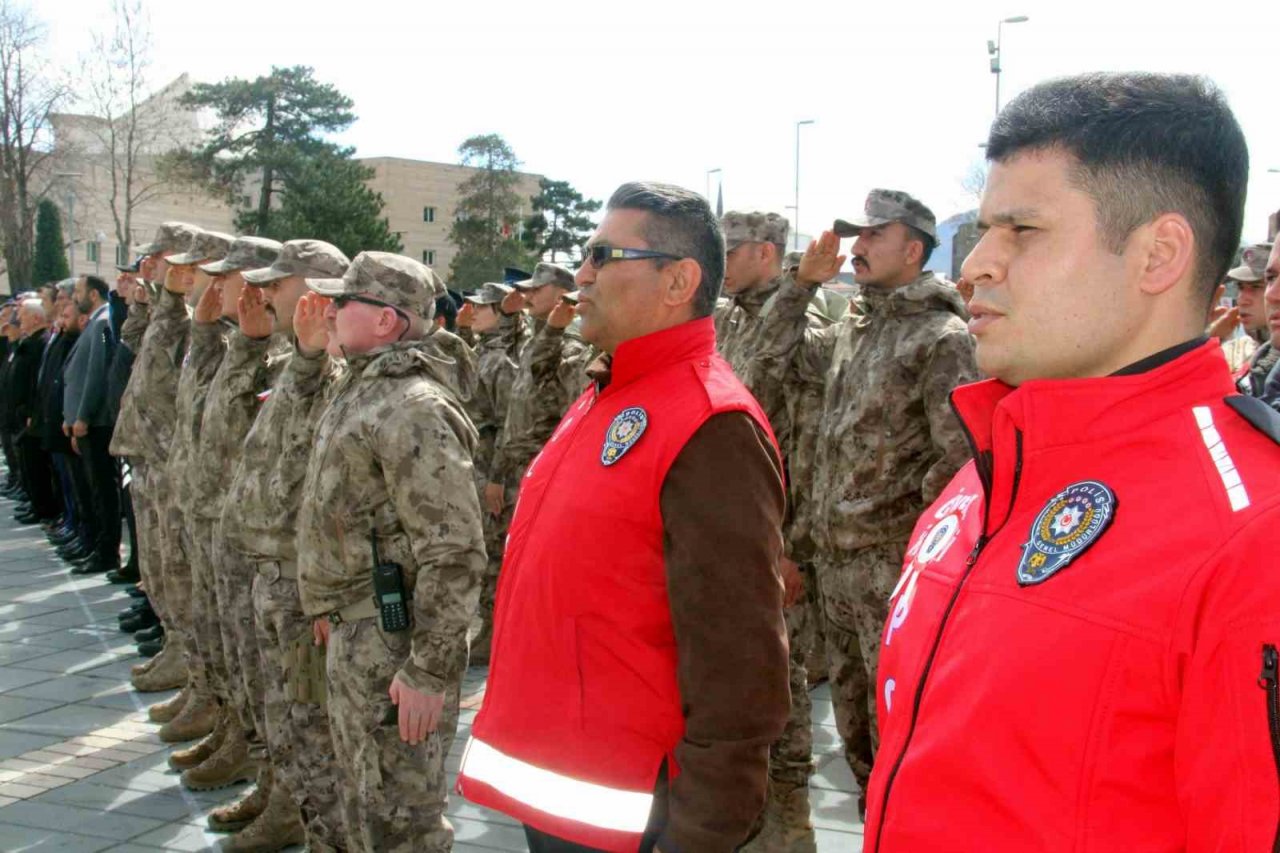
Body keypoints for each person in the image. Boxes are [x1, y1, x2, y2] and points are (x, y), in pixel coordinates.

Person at [866, 72, 1280, 851]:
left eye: (1022, 231)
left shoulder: (1254, 537)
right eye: (985, 229)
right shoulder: (988, 470)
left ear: (1159, 254)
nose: (977, 264)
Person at [459, 182, 790, 852]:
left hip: (633, 814)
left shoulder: (710, 423)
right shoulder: (608, 390)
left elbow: (738, 668)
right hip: (562, 790)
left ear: (677, 280)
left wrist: (698, 835)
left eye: (602, 254)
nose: (581, 273)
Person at [755, 189, 978, 812]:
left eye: (873, 237)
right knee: (856, 736)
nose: (856, 247)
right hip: (834, 566)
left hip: (892, 569)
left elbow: (960, 460)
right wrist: (799, 287)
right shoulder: (854, 328)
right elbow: (771, 362)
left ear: (912, 250)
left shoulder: (942, 336)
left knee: (901, 733)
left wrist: (913, 549)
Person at [296, 251, 484, 852]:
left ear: (386, 321)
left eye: (344, 301)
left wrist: (430, 669)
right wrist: (331, 603)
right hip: (359, 633)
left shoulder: (413, 408)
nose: (331, 310)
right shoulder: (365, 386)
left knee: (400, 823)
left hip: (393, 652)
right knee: (364, 808)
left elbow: (453, 551)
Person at [220, 239, 351, 851]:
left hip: (306, 575)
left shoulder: (340, 368)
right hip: (266, 560)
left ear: (319, 290)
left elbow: (311, 470)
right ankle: (283, 799)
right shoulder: (289, 357)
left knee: (308, 720)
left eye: (280, 282)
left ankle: (309, 820)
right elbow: (236, 442)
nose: (265, 292)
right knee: (276, 707)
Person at [111, 221, 204, 694]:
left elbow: (167, 353)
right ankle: (175, 645)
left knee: (175, 566)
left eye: (159, 260)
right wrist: (143, 299)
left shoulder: (193, 321)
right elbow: (136, 343)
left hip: (171, 458)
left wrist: (164, 298)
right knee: (158, 564)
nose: (150, 267)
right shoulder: (168, 312)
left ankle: (189, 660)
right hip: (150, 452)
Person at [457, 281, 524, 664]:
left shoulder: (501, 363)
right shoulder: (482, 353)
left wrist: (498, 477)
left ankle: (495, 630)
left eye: (483, 308)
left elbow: (507, 423)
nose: (474, 313)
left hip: (493, 472)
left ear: (500, 314)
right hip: (477, 468)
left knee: (494, 552)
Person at [61, 275, 122, 576]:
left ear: (94, 295)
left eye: (80, 292)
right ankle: (98, 546)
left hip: (96, 424)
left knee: (102, 492)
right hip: (86, 423)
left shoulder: (101, 323)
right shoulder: (95, 322)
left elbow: (96, 374)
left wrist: (82, 416)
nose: (75, 296)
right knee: (94, 490)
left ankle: (106, 552)